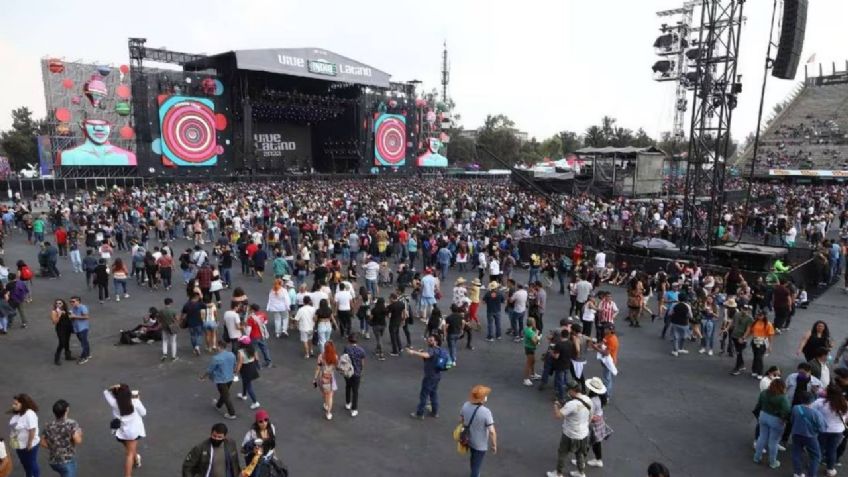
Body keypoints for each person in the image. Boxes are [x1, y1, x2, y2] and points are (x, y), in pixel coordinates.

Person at [547, 382, 592, 477]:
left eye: (568, 390)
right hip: (583, 433)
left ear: (572, 390)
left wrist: (556, 405)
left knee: (562, 452)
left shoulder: (572, 404)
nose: (567, 392)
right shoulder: (587, 399)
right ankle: (581, 473)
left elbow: (558, 415)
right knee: (580, 453)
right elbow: (590, 416)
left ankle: (558, 473)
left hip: (570, 434)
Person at [103, 384, 146, 477]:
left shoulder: (114, 403)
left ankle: (137, 458)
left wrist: (112, 387)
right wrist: (138, 399)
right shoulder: (135, 402)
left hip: (120, 432)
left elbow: (105, 392)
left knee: (130, 448)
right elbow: (144, 413)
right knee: (129, 454)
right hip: (133, 432)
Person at [459, 385, 497, 477]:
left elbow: (461, 419)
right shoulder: (485, 412)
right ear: (483, 399)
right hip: (480, 444)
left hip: (468, 439)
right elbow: (492, 431)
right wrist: (494, 445)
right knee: (476, 465)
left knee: (473, 459)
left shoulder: (466, 405)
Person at [753, 378, 790, 469]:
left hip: (763, 415)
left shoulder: (764, 393)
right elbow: (786, 411)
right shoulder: (782, 397)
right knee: (773, 442)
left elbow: (759, 404)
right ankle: (772, 462)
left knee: (762, 437)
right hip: (776, 420)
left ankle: (757, 457)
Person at [40, 399, 82, 477]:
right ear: (67, 410)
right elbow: (77, 440)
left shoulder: (49, 426)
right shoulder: (71, 424)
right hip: (67, 462)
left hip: (53, 462)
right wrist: (80, 434)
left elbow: (42, 443)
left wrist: (55, 447)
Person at [408, 334, 445, 419]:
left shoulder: (432, 350)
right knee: (433, 393)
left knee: (424, 395)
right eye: (429, 339)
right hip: (437, 375)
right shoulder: (440, 350)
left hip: (429, 376)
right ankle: (435, 412)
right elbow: (429, 357)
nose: (429, 341)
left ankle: (419, 413)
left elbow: (427, 355)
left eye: (431, 340)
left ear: (436, 341)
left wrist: (414, 352)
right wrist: (422, 353)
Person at [813, 383, 847, 476]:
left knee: (819, 448)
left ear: (828, 393)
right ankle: (830, 469)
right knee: (832, 450)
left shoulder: (820, 402)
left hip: (823, 430)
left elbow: (812, 413)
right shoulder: (845, 403)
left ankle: (814, 465)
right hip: (838, 431)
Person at [790, 391, 825, 477]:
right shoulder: (816, 413)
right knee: (816, 456)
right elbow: (822, 428)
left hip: (796, 434)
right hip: (810, 437)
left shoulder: (795, 408)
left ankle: (797, 473)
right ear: (812, 401)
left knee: (796, 453)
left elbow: (792, 420)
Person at [201, 345, 238, 420]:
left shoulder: (216, 358)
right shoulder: (231, 354)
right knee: (224, 394)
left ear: (219, 347)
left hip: (221, 380)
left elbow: (210, 370)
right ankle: (218, 405)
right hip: (230, 378)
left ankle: (232, 413)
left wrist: (203, 377)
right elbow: (235, 365)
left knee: (226, 396)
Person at [8, 394, 40, 477]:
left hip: (28, 446)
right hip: (19, 445)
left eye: (16, 404)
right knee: (26, 465)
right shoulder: (18, 413)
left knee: (31, 464)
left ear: (23, 404)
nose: (13, 405)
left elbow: (32, 430)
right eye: (13, 403)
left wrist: (29, 444)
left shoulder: (29, 414)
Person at [583, 377, 610, 468]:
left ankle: (581, 460)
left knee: (587, 441)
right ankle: (598, 460)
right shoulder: (601, 398)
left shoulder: (593, 400)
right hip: (599, 421)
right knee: (595, 442)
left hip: (593, 422)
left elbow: (590, 413)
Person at [746, 310, 775, 380]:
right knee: (755, 356)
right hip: (755, 341)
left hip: (762, 342)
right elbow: (750, 331)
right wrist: (745, 337)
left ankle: (760, 372)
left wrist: (770, 345)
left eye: (760, 315)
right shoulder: (755, 322)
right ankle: (754, 370)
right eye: (758, 315)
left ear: (764, 316)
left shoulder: (768, 324)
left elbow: (770, 335)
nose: (759, 316)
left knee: (759, 357)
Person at [313, 340, 338, 420]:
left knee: (324, 393)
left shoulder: (321, 356)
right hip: (330, 379)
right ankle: (328, 412)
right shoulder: (335, 357)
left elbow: (318, 368)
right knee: (330, 396)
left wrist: (314, 378)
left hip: (322, 378)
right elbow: (337, 367)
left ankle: (326, 404)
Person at [235, 336, 262, 410]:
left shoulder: (240, 352)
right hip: (252, 367)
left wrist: (236, 372)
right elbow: (257, 358)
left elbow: (239, 364)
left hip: (245, 369)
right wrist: (257, 366)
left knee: (248, 386)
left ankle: (255, 402)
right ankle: (243, 395)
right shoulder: (253, 349)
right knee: (245, 382)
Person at [342, 333, 366, 417]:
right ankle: (354, 409)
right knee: (355, 391)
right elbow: (362, 363)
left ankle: (348, 403)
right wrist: (361, 371)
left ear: (349, 340)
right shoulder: (361, 350)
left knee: (348, 387)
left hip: (348, 372)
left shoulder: (346, 348)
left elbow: (344, 358)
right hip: (357, 372)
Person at [50, 299, 73, 366]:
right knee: (62, 343)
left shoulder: (65, 310)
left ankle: (68, 356)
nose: (58, 304)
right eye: (57, 303)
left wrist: (70, 315)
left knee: (67, 342)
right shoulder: (54, 312)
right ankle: (56, 359)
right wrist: (59, 315)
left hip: (68, 328)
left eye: (60, 303)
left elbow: (69, 318)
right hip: (60, 329)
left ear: (63, 304)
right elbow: (54, 322)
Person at [68, 296, 91, 365]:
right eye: (70, 301)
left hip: (83, 328)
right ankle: (88, 354)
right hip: (77, 328)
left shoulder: (82, 307)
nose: (71, 303)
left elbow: (86, 317)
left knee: (84, 343)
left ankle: (84, 357)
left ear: (78, 301)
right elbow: (73, 317)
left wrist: (74, 316)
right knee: (83, 342)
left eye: (73, 301)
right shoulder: (74, 308)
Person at [523, 317, 541, 386]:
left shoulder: (527, 329)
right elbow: (535, 342)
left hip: (529, 348)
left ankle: (533, 374)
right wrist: (537, 335)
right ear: (533, 323)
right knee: (529, 363)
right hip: (529, 348)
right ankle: (526, 379)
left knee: (533, 361)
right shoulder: (530, 332)